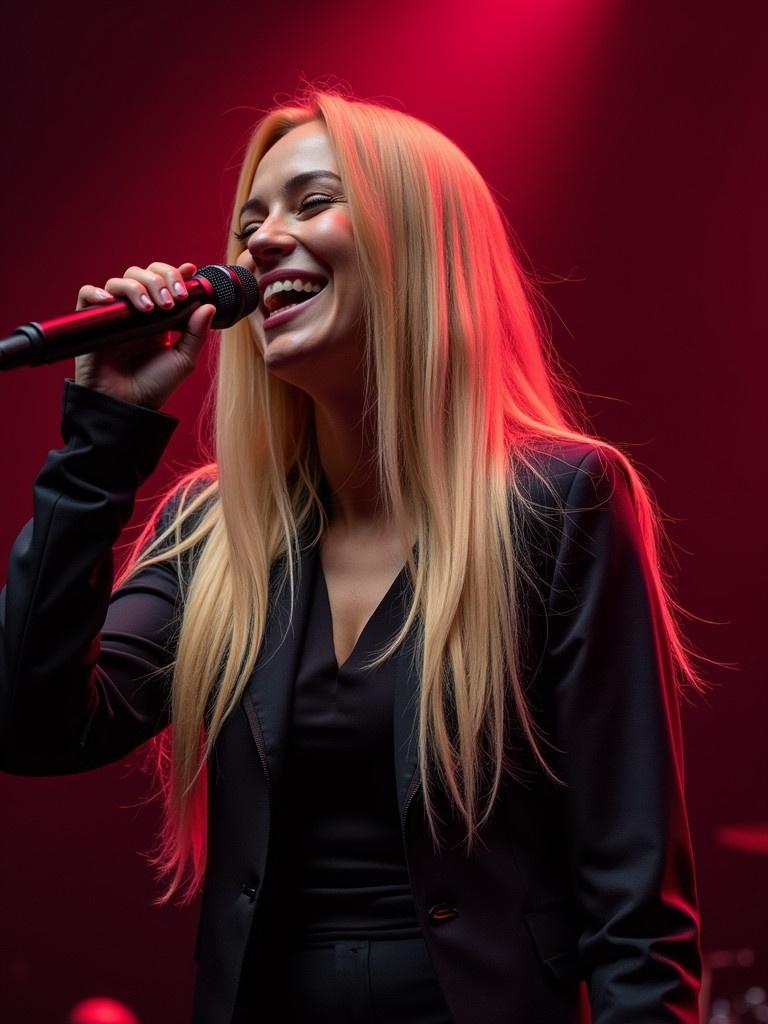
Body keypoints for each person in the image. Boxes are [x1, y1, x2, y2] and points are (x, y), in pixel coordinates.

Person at [0, 89, 703, 1023]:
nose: (258, 242)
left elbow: (636, 906)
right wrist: (103, 437)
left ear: (418, 245)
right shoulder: (216, 530)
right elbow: (33, 724)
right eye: (250, 219)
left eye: (311, 202)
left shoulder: (560, 502)